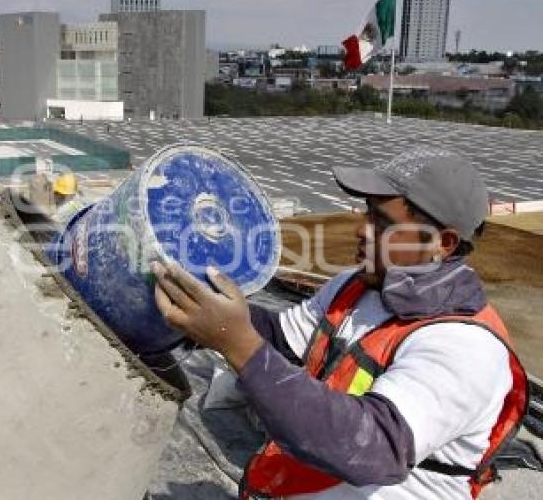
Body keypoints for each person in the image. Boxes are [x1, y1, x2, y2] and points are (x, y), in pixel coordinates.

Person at [151, 146, 527, 499]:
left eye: (382, 222)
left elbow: (370, 447)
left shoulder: (464, 347)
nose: (362, 229)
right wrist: (203, 301)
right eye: (367, 212)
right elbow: (281, 341)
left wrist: (234, 342)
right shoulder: (357, 285)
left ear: (442, 242)